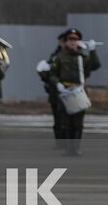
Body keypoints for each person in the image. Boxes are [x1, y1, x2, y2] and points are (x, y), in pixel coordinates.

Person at [42, 28, 101, 156]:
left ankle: (76, 148)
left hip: (79, 90)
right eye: (70, 39)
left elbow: (95, 65)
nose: (73, 42)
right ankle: (69, 149)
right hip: (65, 91)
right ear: (66, 41)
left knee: (78, 122)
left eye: (75, 39)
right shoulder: (60, 57)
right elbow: (52, 74)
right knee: (66, 122)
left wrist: (92, 50)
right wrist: (57, 83)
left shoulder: (82, 57)